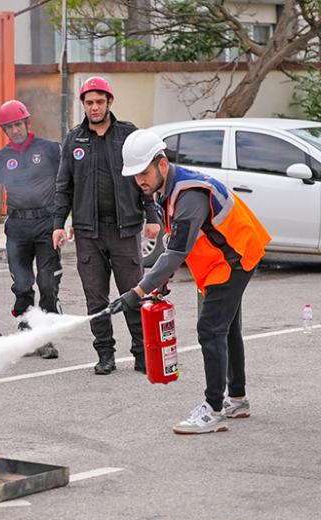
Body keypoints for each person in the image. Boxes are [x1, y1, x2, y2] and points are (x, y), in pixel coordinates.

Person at [110, 129, 270, 435]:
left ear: (162, 164)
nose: (140, 180)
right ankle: (237, 399)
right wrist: (161, 279)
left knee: (210, 329)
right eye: (135, 175)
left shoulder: (189, 194)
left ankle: (214, 409)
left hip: (234, 258)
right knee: (226, 328)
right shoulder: (167, 188)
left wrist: (138, 291)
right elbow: (178, 241)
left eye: (144, 172)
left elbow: (176, 252)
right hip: (224, 258)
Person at [52, 76, 161, 375]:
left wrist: (152, 217)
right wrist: (59, 224)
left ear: (110, 102)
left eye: (100, 102)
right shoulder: (74, 140)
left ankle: (141, 353)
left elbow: (144, 177)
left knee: (134, 294)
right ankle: (105, 354)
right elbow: (64, 187)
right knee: (96, 299)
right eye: (89, 103)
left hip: (125, 230)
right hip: (89, 233)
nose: (94, 107)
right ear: (83, 105)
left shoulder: (128, 134)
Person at [0, 100, 61, 359]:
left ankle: (45, 336)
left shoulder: (50, 150)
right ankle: (27, 330)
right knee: (22, 283)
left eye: (18, 124)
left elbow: (66, 183)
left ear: (27, 122)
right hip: (17, 226)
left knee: (48, 283)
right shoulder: (0, 159)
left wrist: (64, 222)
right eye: (9, 127)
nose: (15, 130)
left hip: (46, 224)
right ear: (4, 130)